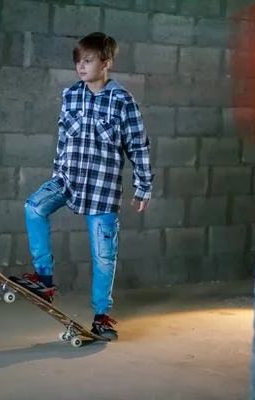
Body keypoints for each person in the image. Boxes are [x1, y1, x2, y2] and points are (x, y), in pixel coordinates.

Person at [14, 32, 154, 340]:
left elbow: (138, 146)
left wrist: (143, 187)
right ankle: (44, 280)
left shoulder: (123, 102)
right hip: (68, 180)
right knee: (34, 208)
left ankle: (102, 316)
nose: (81, 66)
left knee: (104, 255)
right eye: (78, 61)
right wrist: (57, 173)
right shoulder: (70, 95)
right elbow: (63, 139)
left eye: (88, 61)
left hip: (102, 191)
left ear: (106, 63)